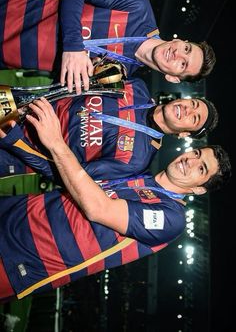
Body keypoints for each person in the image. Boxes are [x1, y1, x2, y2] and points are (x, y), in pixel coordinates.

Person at [0, 98, 231, 302]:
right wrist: (19, 143)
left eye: (201, 169)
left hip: (23, 258)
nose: (190, 161)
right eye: (197, 154)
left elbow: (98, 209)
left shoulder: (172, 218)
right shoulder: (139, 176)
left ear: (199, 190)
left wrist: (56, 144)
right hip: (15, 210)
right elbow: (67, 174)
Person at [0, 0, 216, 94]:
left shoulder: (119, 76)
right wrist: (74, 46)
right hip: (10, 5)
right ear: (180, 41)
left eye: (183, 65)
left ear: (173, 78)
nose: (177, 55)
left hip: (8, 55)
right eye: (186, 49)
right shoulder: (139, 6)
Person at [0, 77, 218, 180]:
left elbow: (72, 177)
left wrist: (16, 141)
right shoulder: (136, 87)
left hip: (14, 149)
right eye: (193, 104)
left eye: (194, 118)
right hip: (16, 105)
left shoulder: (138, 159)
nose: (188, 109)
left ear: (183, 134)